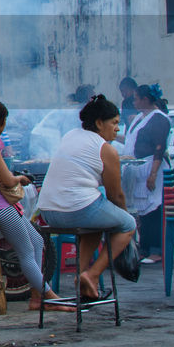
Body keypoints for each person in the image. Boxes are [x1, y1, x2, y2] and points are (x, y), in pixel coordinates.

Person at [0, 99, 67, 312]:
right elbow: (7, 180)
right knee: (26, 251)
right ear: (2, 123)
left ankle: (36, 296)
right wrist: (21, 179)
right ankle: (48, 296)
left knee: (37, 240)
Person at [39, 95, 137, 301]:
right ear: (100, 123)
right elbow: (116, 195)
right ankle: (92, 275)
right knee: (128, 224)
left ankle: (81, 274)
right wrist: (123, 217)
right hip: (75, 210)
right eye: (115, 123)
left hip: (48, 212)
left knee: (97, 219)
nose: (118, 129)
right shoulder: (106, 149)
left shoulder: (71, 135)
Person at [120, 85, 170, 265]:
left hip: (151, 167)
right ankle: (145, 248)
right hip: (137, 169)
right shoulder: (140, 118)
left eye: (136, 99)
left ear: (145, 100)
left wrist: (153, 174)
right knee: (142, 213)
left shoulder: (159, 119)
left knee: (153, 210)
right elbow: (130, 140)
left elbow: (159, 148)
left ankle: (156, 250)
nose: (134, 102)